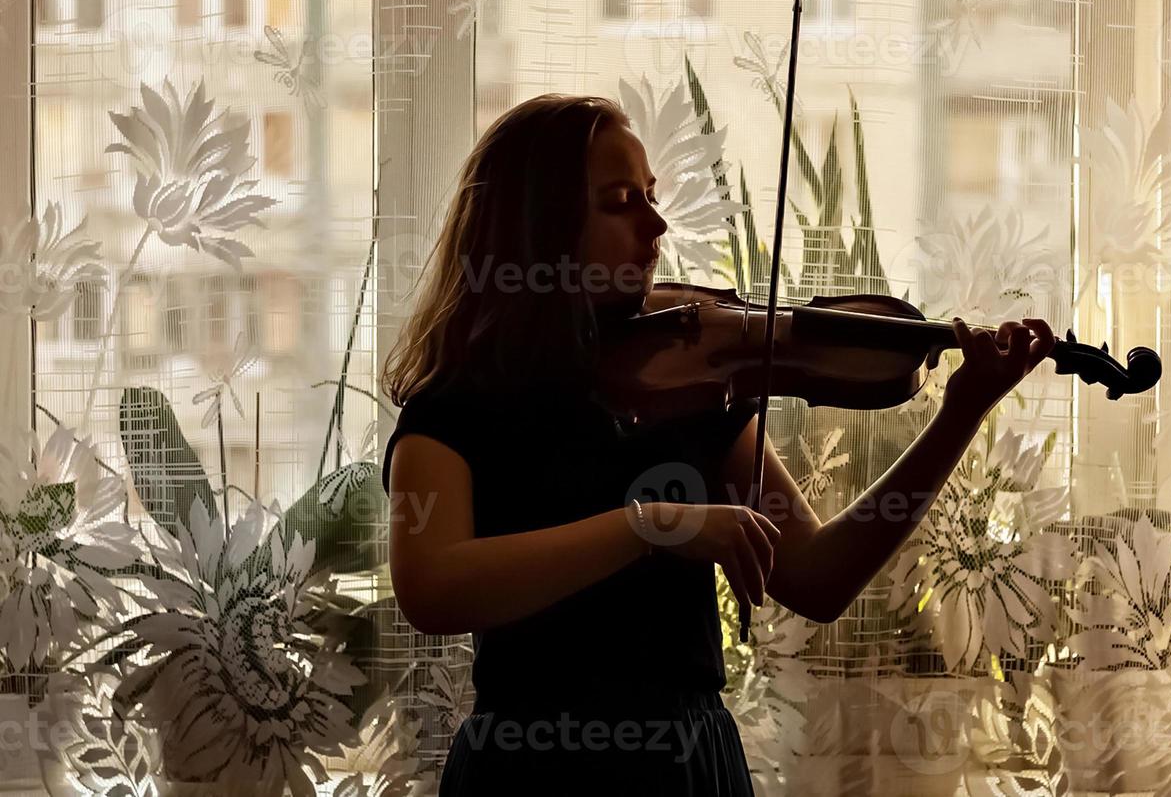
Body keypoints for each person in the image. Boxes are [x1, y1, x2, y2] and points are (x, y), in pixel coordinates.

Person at [380, 93, 1056, 795]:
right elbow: (433, 589)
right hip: (532, 770)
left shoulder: (689, 387)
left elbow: (818, 578)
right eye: (620, 203)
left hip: (688, 768)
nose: (657, 224)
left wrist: (962, 414)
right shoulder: (456, 406)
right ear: (535, 230)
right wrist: (650, 526)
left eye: (651, 195)